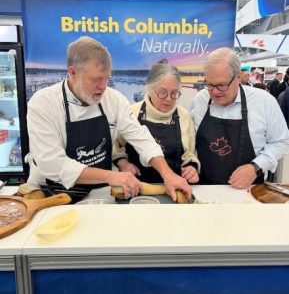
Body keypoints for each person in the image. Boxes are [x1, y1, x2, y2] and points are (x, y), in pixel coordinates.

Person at [26, 36, 192, 203]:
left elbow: (142, 138)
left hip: (100, 192)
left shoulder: (114, 99)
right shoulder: (43, 103)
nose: (103, 86)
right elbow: (52, 164)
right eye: (96, 79)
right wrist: (111, 176)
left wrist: (167, 174)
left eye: (107, 78)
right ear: (72, 72)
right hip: (50, 193)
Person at [191, 47, 289, 189]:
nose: (215, 92)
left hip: (249, 190)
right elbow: (190, 140)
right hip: (205, 188)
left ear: (237, 77)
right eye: (210, 84)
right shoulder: (201, 99)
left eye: (221, 85)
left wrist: (255, 167)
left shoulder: (264, 101)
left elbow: (281, 141)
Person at [113, 59, 200, 184]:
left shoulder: (184, 117)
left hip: (175, 186)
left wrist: (192, 168)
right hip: (136, 186)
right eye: (163, 93)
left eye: (174, 93)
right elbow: (116, 149)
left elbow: (189, 155)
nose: (169, 99)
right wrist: (123, 164)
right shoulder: (132, 113)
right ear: (150, 88)